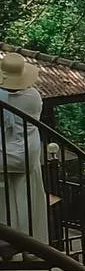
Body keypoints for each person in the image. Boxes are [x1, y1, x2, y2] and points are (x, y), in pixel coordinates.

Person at [0, 51, 48, 243]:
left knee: (7, 203)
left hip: (7, 154)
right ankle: (30, 245)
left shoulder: (10, 98)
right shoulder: (33, 96)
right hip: (27, 153)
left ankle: (9, 244)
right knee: (28, 202)